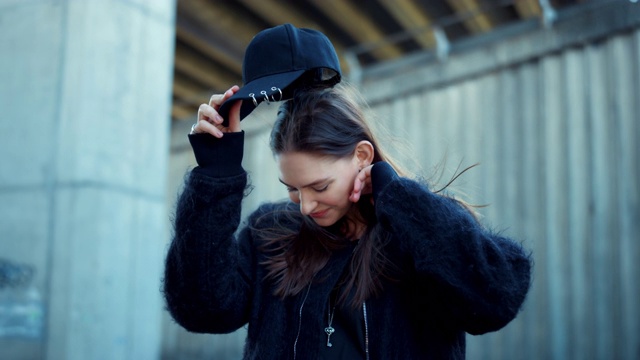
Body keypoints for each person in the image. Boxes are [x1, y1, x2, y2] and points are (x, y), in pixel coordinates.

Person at [163, 76, 533, 359]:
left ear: (361, 156)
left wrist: (397, 196)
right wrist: (215, 174)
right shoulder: (271, 231)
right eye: (292, 188)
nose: (305, 205)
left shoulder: (422, 231)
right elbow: (201, 309)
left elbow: (495, 298)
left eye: (320, 187)